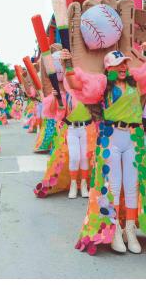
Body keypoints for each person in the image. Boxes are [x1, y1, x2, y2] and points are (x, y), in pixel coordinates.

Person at [61, 49, 146, 255]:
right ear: (109, 68)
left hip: (134, 137)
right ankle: (115, 230)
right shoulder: (101, 86)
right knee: (114, 186)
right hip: (111, 138)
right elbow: (74, 85)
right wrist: (68, 65)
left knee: (132, 185)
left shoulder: (136, 83)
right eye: (119, 64)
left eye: (125, 63)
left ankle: (130, 230)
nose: (124, 66)